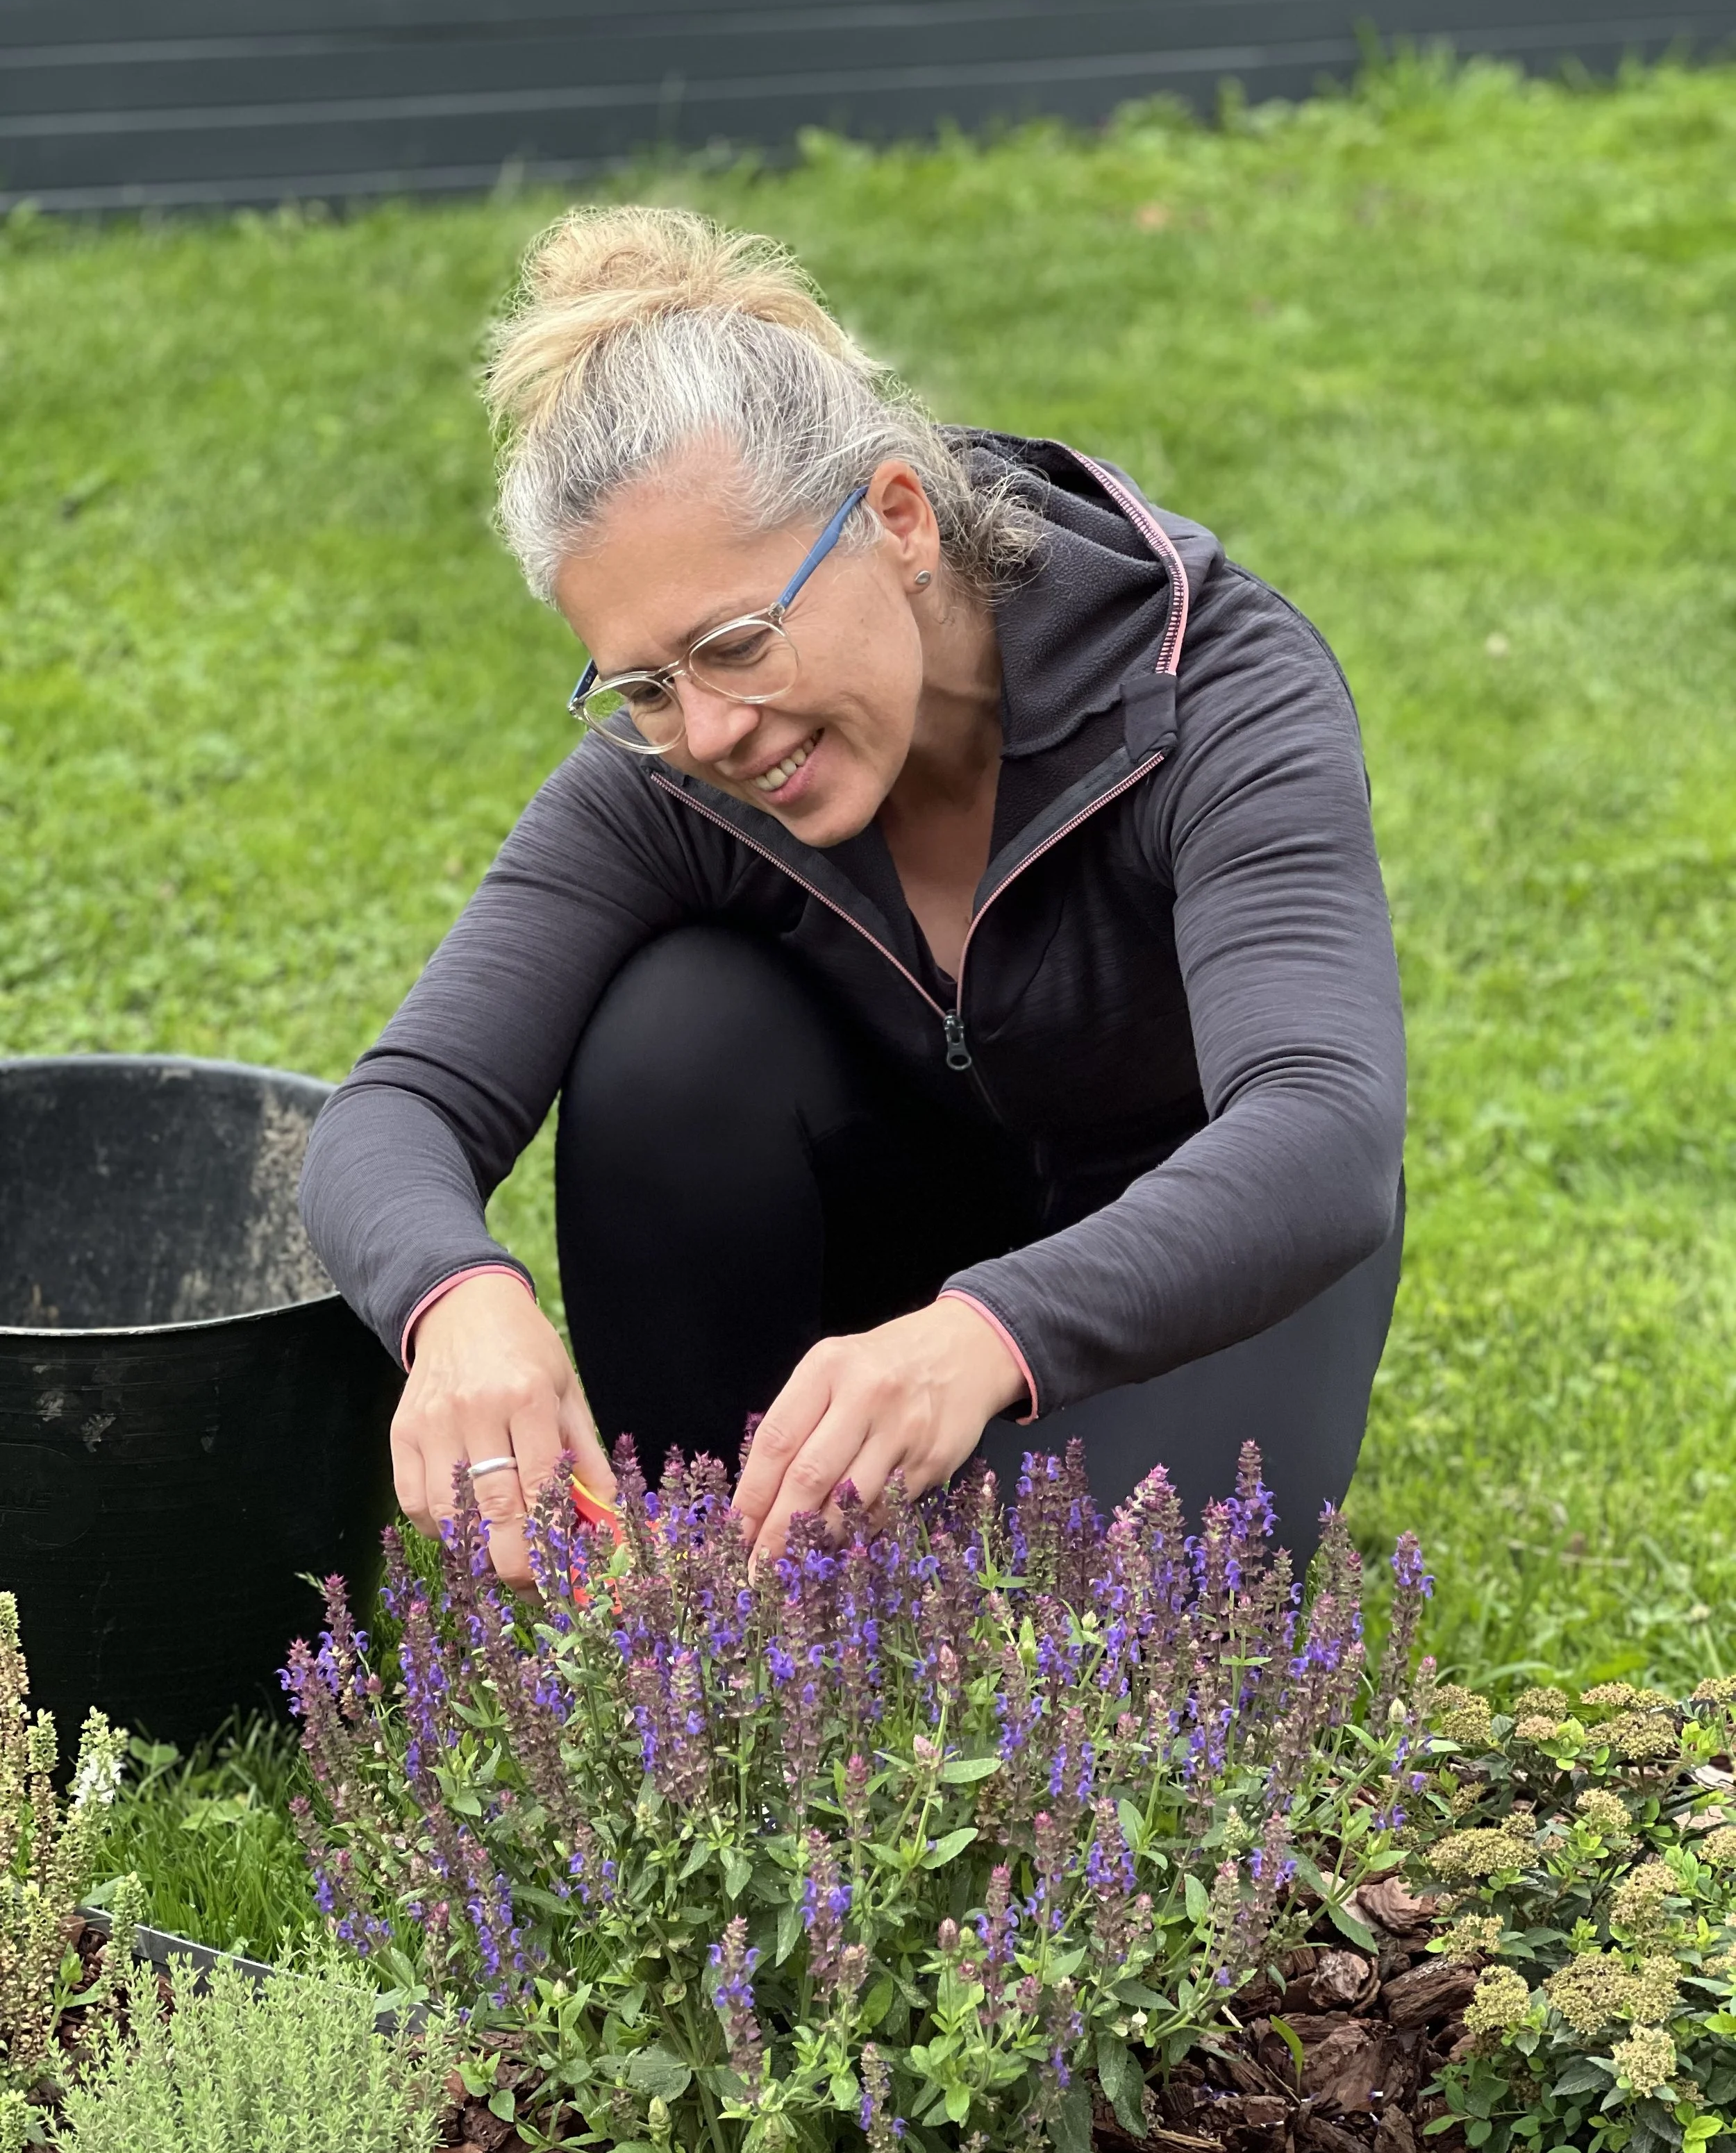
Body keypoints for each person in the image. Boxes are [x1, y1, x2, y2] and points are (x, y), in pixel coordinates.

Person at [299, 206, 1406, 1590]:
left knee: (1050, 1676)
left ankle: (849, 1573)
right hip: (871, 1313)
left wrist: (984, 1332)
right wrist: (456, 1300)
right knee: (675, 1029)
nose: (705, 731)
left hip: (1190, 1285)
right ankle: (708, 1573)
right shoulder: (679, 773)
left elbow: (1322, 1129)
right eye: (643, 685)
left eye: (735, 642)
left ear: (894, 518)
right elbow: (392, 1108)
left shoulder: (1203, 692)